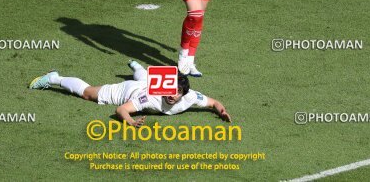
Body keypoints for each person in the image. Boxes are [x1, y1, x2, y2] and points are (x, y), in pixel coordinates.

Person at [29, 60, 232, 127]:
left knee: (144, 78)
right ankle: (54, 78)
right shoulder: (149, 98)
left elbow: (214, 102)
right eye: (170, 88)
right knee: (88, 94)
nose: (172, 94)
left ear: (183, 93)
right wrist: (131, 122)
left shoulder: (190, 98)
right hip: (129, 91)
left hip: (146, 83)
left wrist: (221, 111)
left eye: (177, 92)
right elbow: (122, 109)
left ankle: (137, 67)